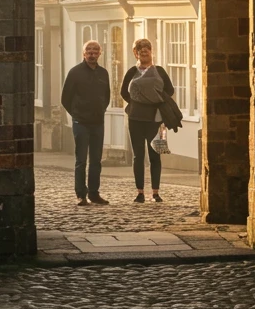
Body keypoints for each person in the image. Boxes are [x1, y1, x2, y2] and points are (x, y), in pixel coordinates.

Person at [121, 38, 174, 203]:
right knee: (138, 155)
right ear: (135, 53)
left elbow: (169, 90)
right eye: (140, 50)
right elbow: (123, 92)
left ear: (151, 52)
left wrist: (155, 100)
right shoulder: (132, 71)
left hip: (157, 119)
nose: (144, 53)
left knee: (155, 155)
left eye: (147, 50)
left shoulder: (160, 71)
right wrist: (138, 102)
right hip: (135, 118)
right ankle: (140, 192)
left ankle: (156, 192)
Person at [60, 39, 111, 206]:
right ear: (84, 54)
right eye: (89, 51)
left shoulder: (103, 73)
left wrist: (100, 110)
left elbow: (106, 95)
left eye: (95, 51)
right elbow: (66, 98)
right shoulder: (75, 72)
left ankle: (94, 194)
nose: (92, 54)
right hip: (81, 121)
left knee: (96, 160)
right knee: (81, 160)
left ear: (100, 53)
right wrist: (76, 114)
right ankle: (81, 194)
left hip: (97, 122)